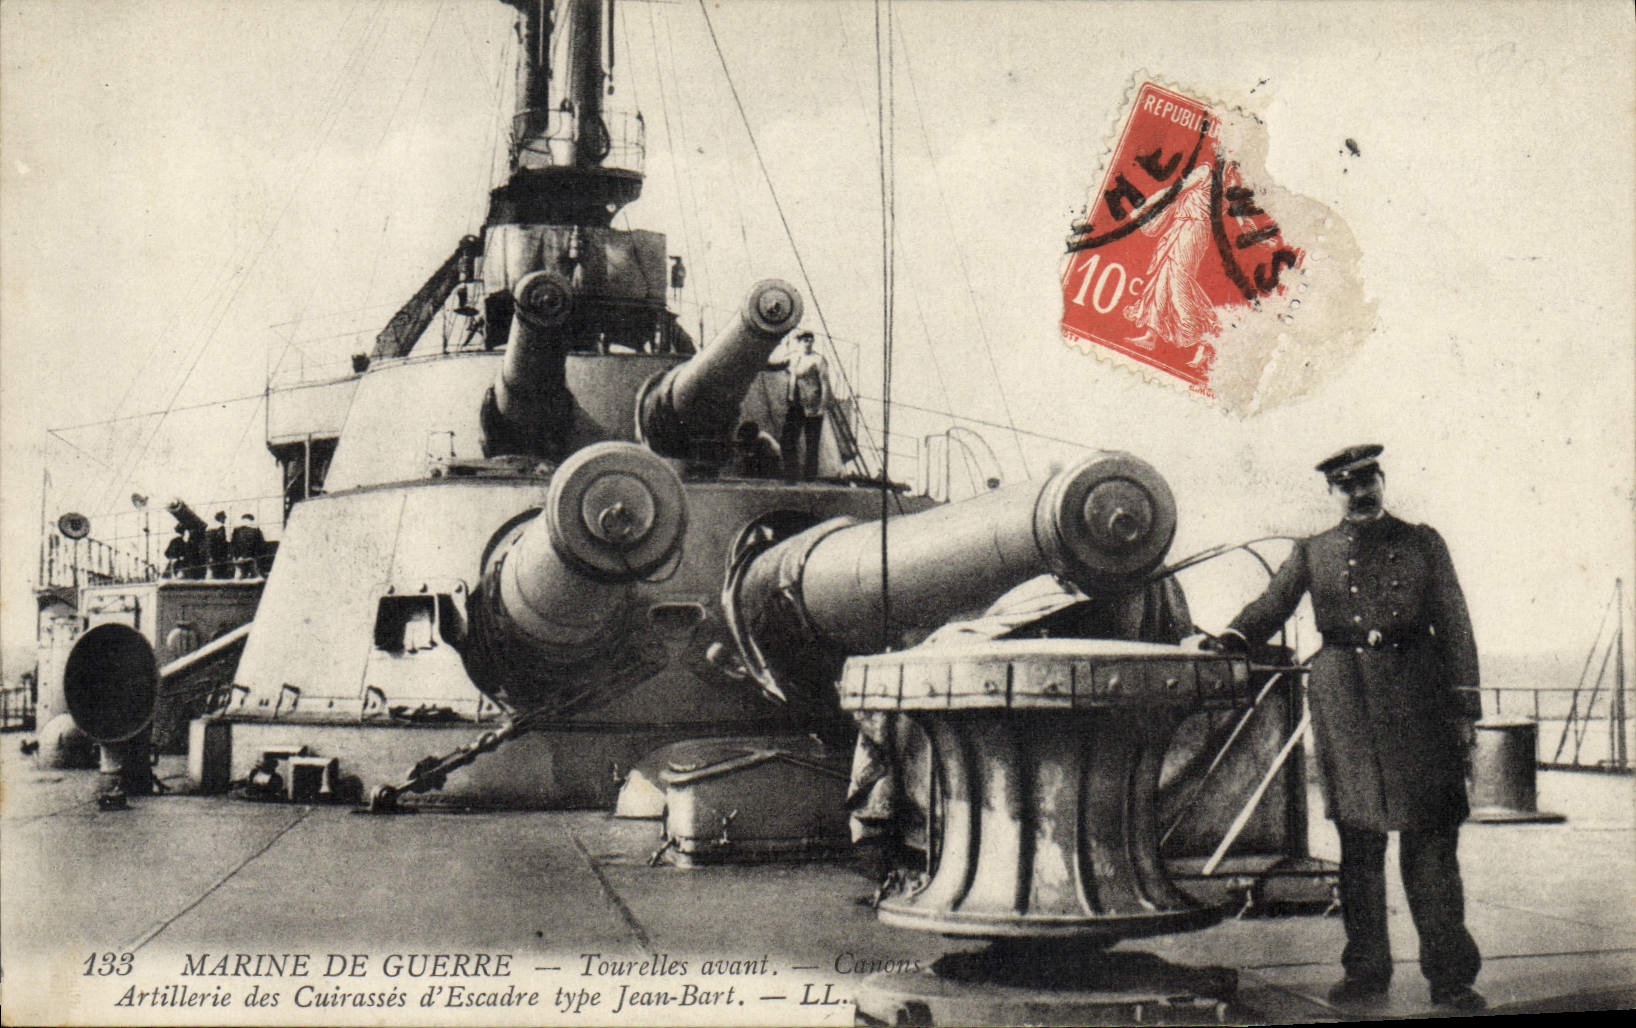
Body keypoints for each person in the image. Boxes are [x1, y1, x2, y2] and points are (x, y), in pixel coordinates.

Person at [1206, 445, 1484, 1011]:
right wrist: (1229, 639)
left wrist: (1463, 710)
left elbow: (1454, 622)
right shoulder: (1313, 552)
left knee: (1430, 844)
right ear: (1332, 494)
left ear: (1382, 481)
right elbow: (1270, 606)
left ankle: (1451, 978)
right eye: (1345, 485)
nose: (1359, 493)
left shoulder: (1422, 542)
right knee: (1359, 843)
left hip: (1418, 700)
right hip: (1345, 703)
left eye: (1367, 481)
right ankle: (1365, 971)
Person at [768, 330, 829, 480]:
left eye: (810, 340)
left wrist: (822, 407)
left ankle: (810, 477)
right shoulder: (793, 357)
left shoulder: (818, 360)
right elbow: (775, 365)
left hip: (812, 406)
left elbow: (825, 385)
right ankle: (791, 474)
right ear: (799, 342)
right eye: (805, 340)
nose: (808, 343)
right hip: (795, 405)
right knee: (787, 440)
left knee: (812, 443)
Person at [231, 513, 266, 579]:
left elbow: (233, 545)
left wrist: (236, 556)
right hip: (251, 558)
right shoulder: (256, 530)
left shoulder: (236, 531)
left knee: (239, 577)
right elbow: (261, 545)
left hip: (239, 558)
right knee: (255, 577)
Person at [205, 511, 232, 580]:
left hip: (209, 554)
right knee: (220, 574)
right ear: (220, 518)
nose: (224, 520)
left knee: (210, 573)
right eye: (224, 518)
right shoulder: (220, 527)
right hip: (218, 555)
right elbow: (221, 541)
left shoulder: (209, 528)